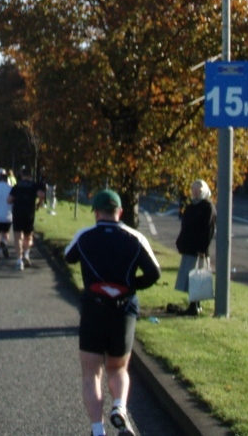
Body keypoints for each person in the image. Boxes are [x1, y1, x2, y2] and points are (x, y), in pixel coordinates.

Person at [64, 189, 161, 436]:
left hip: (94, 307)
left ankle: (97, 429)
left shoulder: (85, 236)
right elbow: (154, 273)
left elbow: (69, 257)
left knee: (91, 372)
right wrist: (130, 286)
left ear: (96, 212)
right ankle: (119, 406)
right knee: (118, 368)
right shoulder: (135, 238)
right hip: (124, 308)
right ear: (120, 212)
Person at [172, 179, 217, 316]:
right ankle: (193, 305)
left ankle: (195, 306)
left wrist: (202, 249)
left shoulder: (208, 207)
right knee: (189, 278)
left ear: (205, 191)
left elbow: (208, 230)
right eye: (194, 189)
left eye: (199, 189)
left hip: (199, 250)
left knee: (196, 278)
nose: (195, 192)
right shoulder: (192, 205)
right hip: (189, 248)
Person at [7, 166, 46, 270]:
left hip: (18, 213)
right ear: (30, 175)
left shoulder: (17, 186)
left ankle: (19, 260)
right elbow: (41, 195)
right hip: (29, 213)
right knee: (28, 235)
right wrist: (38, 203)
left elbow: (9, 199)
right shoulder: (34, 186)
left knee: (17, 237)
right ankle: (26, 254)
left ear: (21, 175)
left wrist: (15, 199)